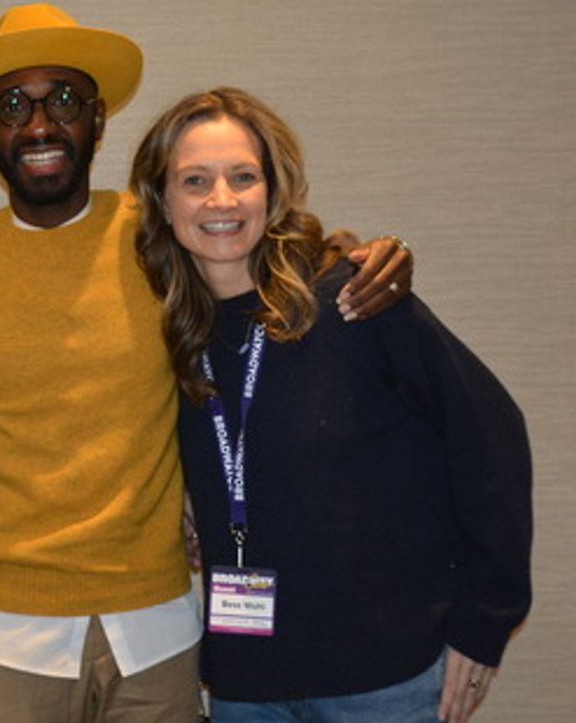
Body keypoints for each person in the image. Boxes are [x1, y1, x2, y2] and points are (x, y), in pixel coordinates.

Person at [0, 3, 413, 722]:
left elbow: (263, 260)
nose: (40, 124)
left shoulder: (159, 238)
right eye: (12, 105)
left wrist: (365, 257)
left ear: (99, 118)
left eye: (64, 99)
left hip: (157, 629)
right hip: (7, 636)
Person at [128, 87, 531, 723]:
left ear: (274, 191)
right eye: (195, 180)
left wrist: (485, 621)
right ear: (163, 201)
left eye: (243, 177)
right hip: (244, 684)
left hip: (384, 680)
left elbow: (493, 439)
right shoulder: (177, 333)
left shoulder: (353, 299)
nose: (221, 200)